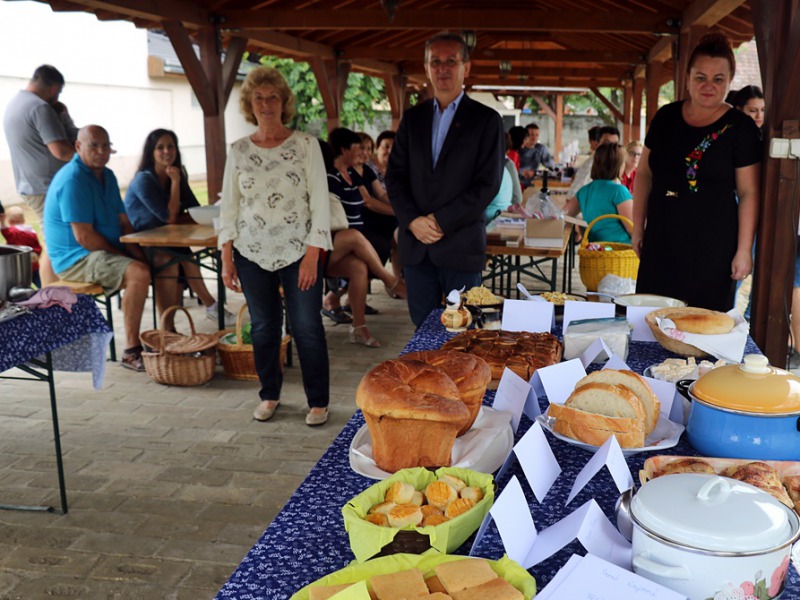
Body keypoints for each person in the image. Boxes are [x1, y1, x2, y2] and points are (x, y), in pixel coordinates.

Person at [218, 67, 332, 426]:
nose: (266, 104)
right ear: (250, 104)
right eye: (259, 98)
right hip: (251, 253)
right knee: (265, 327)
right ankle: (269, 395)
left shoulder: (306, 145)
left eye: (272, 97)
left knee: (306, 326)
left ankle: (318, 402)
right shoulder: (237, 150)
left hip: (300, 251)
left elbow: (320, 203)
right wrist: (226, 256)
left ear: (284, 103)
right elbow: (229, 207)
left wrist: (314, 253)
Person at [632, 32, 762, 311]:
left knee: (704, 330)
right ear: (688, 78)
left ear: (730, 81)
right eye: (700, 77)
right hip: (661, 239)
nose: (708, 86)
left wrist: (743, 251)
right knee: (650, 322)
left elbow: (749, 192)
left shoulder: (741, 128)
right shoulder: (665, 117)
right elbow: (644, 173)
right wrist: (637, 226)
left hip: (713, 247)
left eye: (718, 79)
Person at [385, 31, 505, 327]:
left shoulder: (487, 120)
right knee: (422, 333)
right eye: (435, 62)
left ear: (466, 67)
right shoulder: (412, 119)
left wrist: (441, 221)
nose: (442, 69)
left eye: (450, 61)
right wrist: (412, 221)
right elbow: (395, 177)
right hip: (416, 248)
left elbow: (487, 184)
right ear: (426, 68)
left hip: (460, 246)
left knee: (463, 334)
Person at [43, 125, 152, 372]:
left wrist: (138, 252)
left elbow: (124, 222)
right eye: (94, 145)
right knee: (138, 273)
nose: (101, 151)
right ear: (78, 147)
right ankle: (131, 350)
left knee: (160, 260)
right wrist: (129, 258)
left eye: (106, 145)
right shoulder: (73, 179)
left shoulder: (108, 176)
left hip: (101, 252)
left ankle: (168, 334)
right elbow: (85, 237)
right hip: (77, 259)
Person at [124, 128, 235, 327]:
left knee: (182, 255)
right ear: (151, 152)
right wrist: (175, 183)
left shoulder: (177, 172)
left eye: (171, 146)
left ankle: (202, 311)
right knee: (171, 260)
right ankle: (178, 323)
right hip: (142, 242)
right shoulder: (144, 179)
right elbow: (169, 216)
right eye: (160, 147)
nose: (166, 151)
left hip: (167, 237)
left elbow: (192, 210)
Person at [322, 131, 406, 347]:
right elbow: (367, 205)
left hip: (347, 244)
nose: (361, 153)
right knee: (355, 236)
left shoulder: (353, 173)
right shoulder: (330, 177)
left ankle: (359, 329)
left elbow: (369, 198)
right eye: (357, 148)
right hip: (326, 245)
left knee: (358, 267)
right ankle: (390, 281)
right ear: (344, 150)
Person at [3, 65, 78, 285]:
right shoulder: (39, 108)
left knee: (53, 242)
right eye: (59, 93)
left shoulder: (15, 103)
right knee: (56, 245)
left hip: (31, 185)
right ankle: (50, 297)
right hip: (46, 187)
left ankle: (51, 296)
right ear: (54, 88)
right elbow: (61, 151)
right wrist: (90, 154)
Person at [564, 143, 633, 243]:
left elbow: (563, 215)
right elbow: (633, 229)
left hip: (595, 250)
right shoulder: (619, 191)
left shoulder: (584, 191)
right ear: (619, 165)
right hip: (621, 252)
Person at [0, 205, 43, 287]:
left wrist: (2, 222)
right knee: (39, 283)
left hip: (20, 268)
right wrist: (37, 255)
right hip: (34, 265)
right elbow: (38, 247)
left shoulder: (13, 232)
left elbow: (5, 232)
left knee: (23, 288)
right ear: (23, 219)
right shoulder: (31, 231)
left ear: (10, 222)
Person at [519, 123, 555, 187]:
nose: (534, 138)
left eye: (537, 135)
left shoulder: (541, 149)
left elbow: (552, 168)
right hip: (517, 184)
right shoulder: (518, 148)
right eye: (532, 135)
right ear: (525, 136)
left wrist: (535, 173)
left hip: (534, 185)